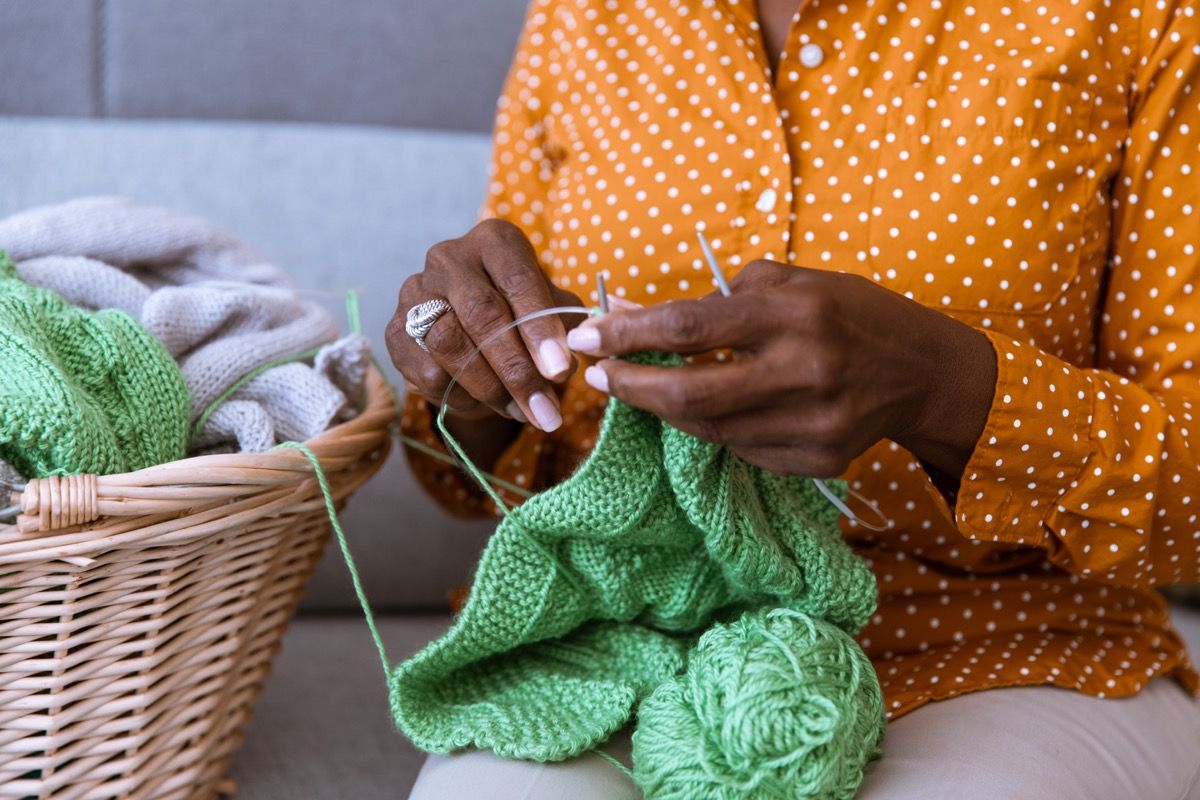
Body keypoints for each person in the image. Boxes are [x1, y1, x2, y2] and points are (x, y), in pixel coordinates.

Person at [387, 0, 1200, 796]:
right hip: (623, 641)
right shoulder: (584, 15)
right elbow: (479, 469)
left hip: (1008, 643)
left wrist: (942, 387)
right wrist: (475, 363)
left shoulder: (1134, 16)